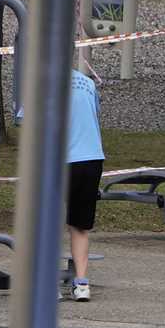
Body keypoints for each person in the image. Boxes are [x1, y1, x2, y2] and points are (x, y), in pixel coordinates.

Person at [65, 68, 104, 302]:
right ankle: (81, 283)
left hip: (61, 158)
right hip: (92, 158)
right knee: (80, 226)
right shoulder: (87, 83)